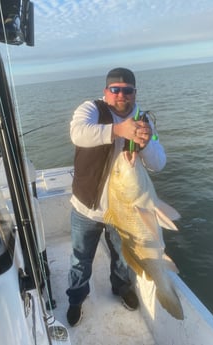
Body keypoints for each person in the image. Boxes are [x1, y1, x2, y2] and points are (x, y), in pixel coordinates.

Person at [66, 67, 166, 327]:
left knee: (123, 256)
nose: (121, 94)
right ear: (106, 92)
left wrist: (146, 145)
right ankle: (76, 297)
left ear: (135, 93)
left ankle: (121, 287)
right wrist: (118, 130)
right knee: (80, 258)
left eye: (128, 90)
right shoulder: (90, 110)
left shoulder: (145, 121)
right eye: (115, 89)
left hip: (124, 212)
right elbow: (78, 133)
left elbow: (159, 162)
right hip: (86, 208)